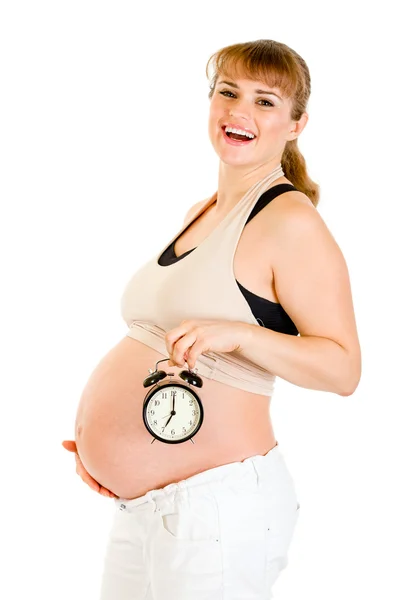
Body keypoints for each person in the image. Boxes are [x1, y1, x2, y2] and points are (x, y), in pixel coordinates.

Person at [63, 38, 361, 599]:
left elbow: (343, 369)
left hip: (217, 509)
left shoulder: (288, 220)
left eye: (265, 101)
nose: (239, 111)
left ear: (296, 125)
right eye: (228, 92)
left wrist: (240, 335)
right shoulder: (199, 212)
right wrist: (104, 446)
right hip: (147, 508)